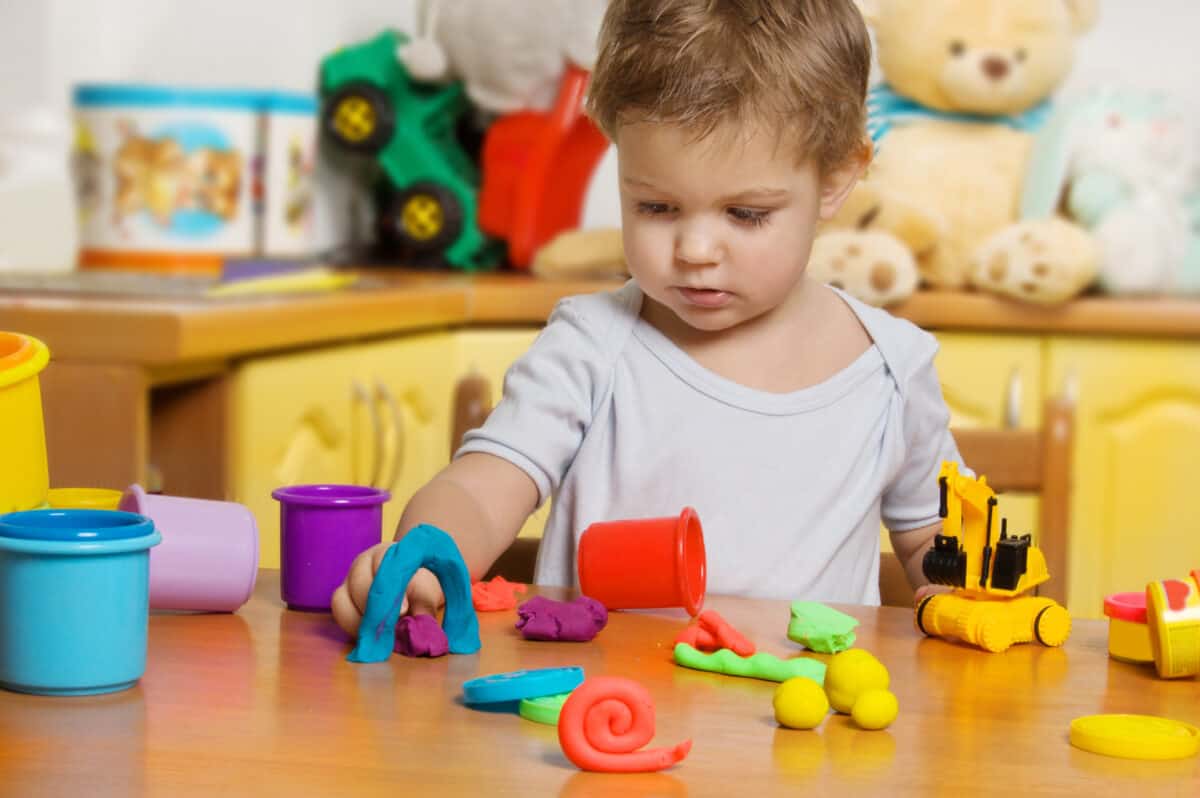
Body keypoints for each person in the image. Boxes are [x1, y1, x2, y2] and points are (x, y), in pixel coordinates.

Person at [332, 0, 961, 636]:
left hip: (805, 724)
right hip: (597, 720)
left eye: (746, 214)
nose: (693, 251)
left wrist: (975, 593)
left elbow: (932, 541)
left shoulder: (890, 370)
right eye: (657, 206)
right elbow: (483, 485)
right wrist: (425, 556)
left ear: (836, 179)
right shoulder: (590, 345)